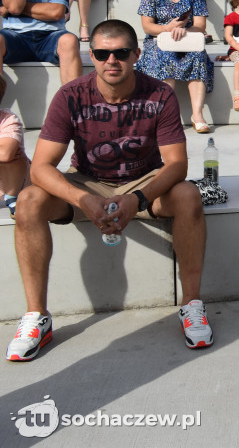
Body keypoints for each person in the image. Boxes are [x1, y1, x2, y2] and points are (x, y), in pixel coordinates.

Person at [6, 20, 212, 361]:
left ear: (136, 55)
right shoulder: (70, 95)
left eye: (120, 53)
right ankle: (36, 316)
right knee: (28, 201)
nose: (111, 60)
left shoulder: (159, 93)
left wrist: (138, 199)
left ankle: (191, 305)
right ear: (92, 56)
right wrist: (83, 199)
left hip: (143, 179)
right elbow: (41, 166)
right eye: (102, 53)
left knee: (188, 195)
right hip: (85, 179)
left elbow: (177, 164)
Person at [136, 0, 214, 133]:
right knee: (163, 55)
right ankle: (165, 116)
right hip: (158, 41)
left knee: (197, 55)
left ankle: (197, 115)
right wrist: (167, 28)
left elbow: (201, 25)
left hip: (186, 40)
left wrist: (185, 30)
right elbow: (147, 27)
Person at [0, 73, 28, 215]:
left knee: (11, 156)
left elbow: (5, 154)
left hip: (14, 182)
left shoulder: (8, 119)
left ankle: (12, 197)